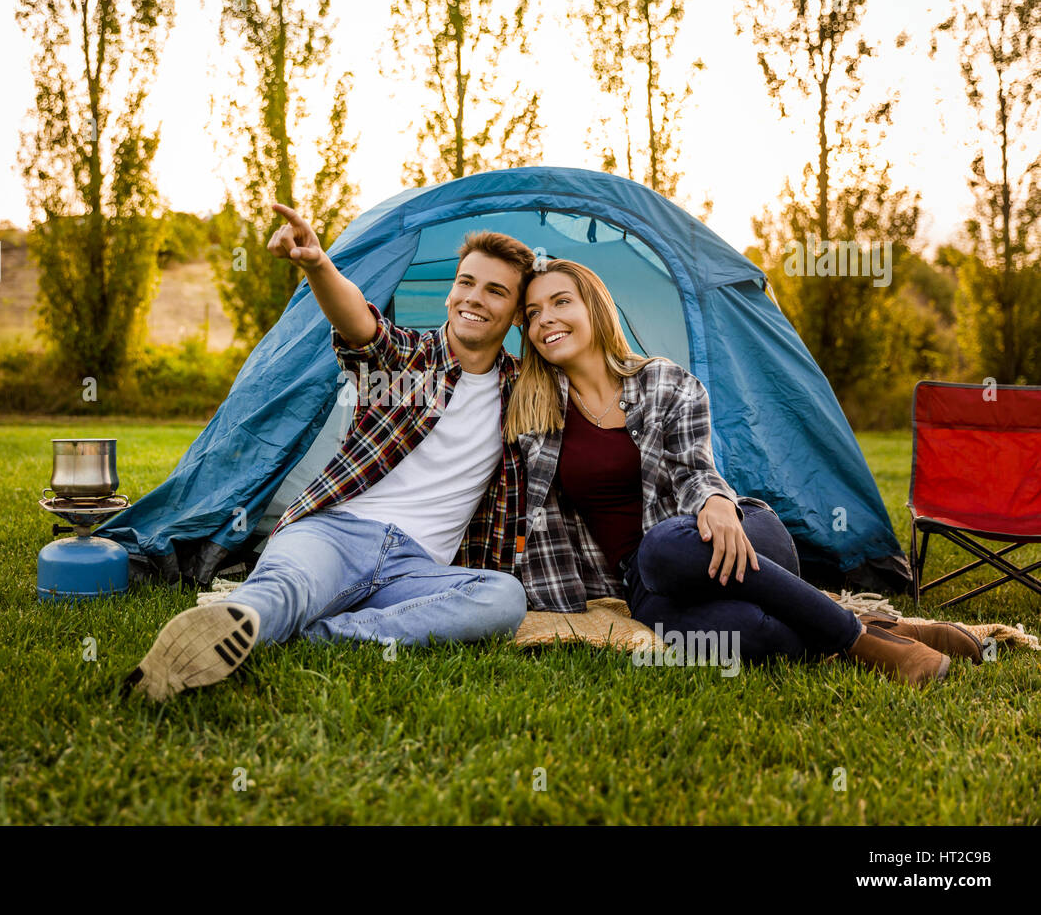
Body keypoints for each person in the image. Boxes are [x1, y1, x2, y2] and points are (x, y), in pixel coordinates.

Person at [508, 257, 982, 687]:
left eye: (560, 301)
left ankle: (865, 644)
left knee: (666, 545)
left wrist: (715, 502)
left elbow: (696, 466)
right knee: (757, 635)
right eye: (531, 313)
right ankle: (890, 632)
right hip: (647, 582)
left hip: (732, 532)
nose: (544, 318)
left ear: (594, 307)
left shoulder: (666, 381)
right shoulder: (534, 412)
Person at [126, 205, 533, 701]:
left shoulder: (524, 390)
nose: (474, 297)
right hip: (335, 533)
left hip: (418, 568)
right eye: (465, 282)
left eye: (495, 290)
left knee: (503, 597)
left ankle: (318, 634)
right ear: (450, 291)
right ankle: (227, 631)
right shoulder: (407, 359)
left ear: (516, 315)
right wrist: (317, 264)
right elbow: (362, 324)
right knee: (287, 587)